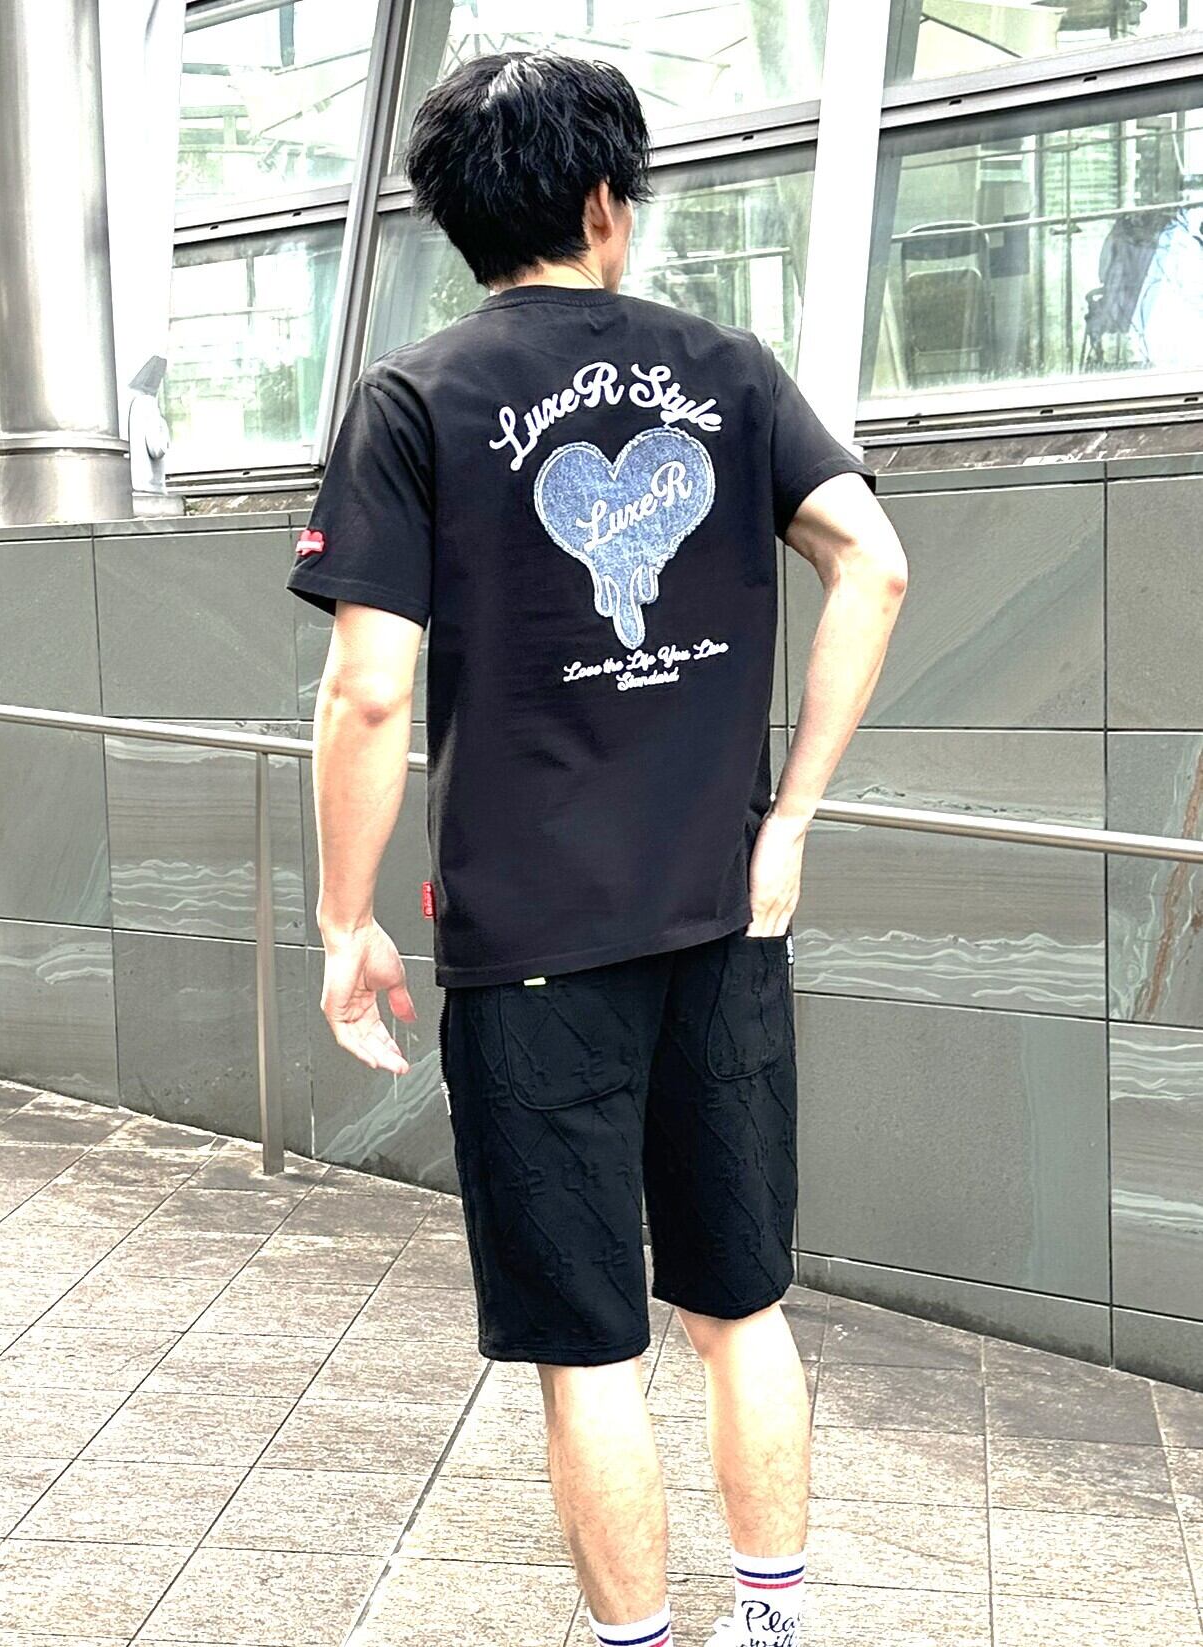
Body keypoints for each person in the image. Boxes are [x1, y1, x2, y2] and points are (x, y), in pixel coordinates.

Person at [285, 50, 907, 1647]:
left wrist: (345, 920)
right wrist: (789, 821)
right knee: (739, 1309)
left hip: (533, 944)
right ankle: (772, 1628)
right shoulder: (731, 369)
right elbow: (875, 565)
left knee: (587, 1350)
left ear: (457, 219)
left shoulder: (415, 399)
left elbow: (367, 690)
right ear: (606, 202)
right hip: (724, 916)